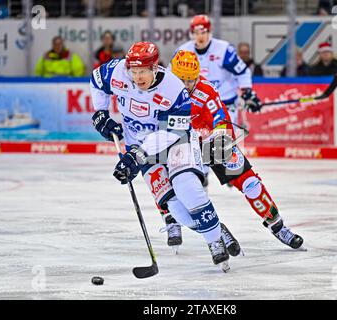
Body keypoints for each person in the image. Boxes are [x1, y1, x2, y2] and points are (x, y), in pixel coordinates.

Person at [89, 41, 238, 271]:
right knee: (177, 210)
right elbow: (97, 79)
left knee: (188, 188)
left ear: (155, 68)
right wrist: (101, 113)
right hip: (139, 147)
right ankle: (217, 228)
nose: (137, 77)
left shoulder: (174, 89)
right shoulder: (117, 71)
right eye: (133, 71)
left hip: (176, 142)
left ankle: (214, 240)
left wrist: (138, 155)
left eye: (142, 72)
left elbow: (171, 131)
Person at [160, 50, 304, 252]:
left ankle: (278, 226)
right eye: (180, 80)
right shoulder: (160, 88)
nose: (185, 86)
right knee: (168, 183)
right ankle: (173, 220)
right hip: (178, 145)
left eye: (190, 80)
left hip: (209, 142)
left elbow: (221, 119)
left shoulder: (206, 90)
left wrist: (217, 137)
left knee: (251, 183)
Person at [176, 15, 263, 128]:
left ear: (209, 32)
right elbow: (171, 76)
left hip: (225, 104)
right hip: (196, 105)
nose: (200, 37)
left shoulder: (223, 49)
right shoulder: (183, 51)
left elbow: (242, 71)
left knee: (224, 141)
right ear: (191, 34)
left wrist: (247, 92)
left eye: (203, 32)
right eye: (196, 33)